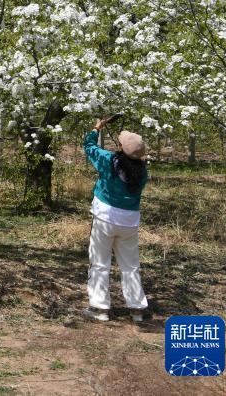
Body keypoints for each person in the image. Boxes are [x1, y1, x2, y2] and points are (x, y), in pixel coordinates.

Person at [82, 117, 150, 322]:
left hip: (105, 217)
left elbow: (89, 146)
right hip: (129, 222)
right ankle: (137, 308)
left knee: (100, 262)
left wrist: (97, 128)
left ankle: (100, 308)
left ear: (122, 148)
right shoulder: (142, 171)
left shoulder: (109, 161)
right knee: (130, 265)